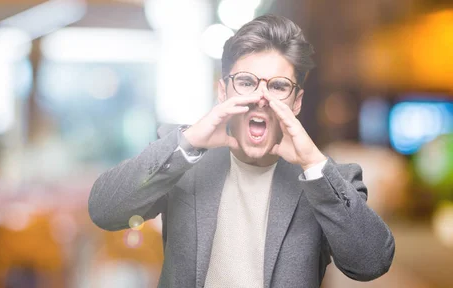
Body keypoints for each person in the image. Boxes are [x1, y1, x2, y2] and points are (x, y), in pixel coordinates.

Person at [88, 14, 395, 288]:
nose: (261, 98)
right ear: (223, 91)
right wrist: (190, 141)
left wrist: (312, 162)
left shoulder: (330, 179)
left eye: (277, 86)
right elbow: (105, 210)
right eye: (246, 82)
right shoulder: (182, 158)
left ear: (296, 102)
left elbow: (371, 264)